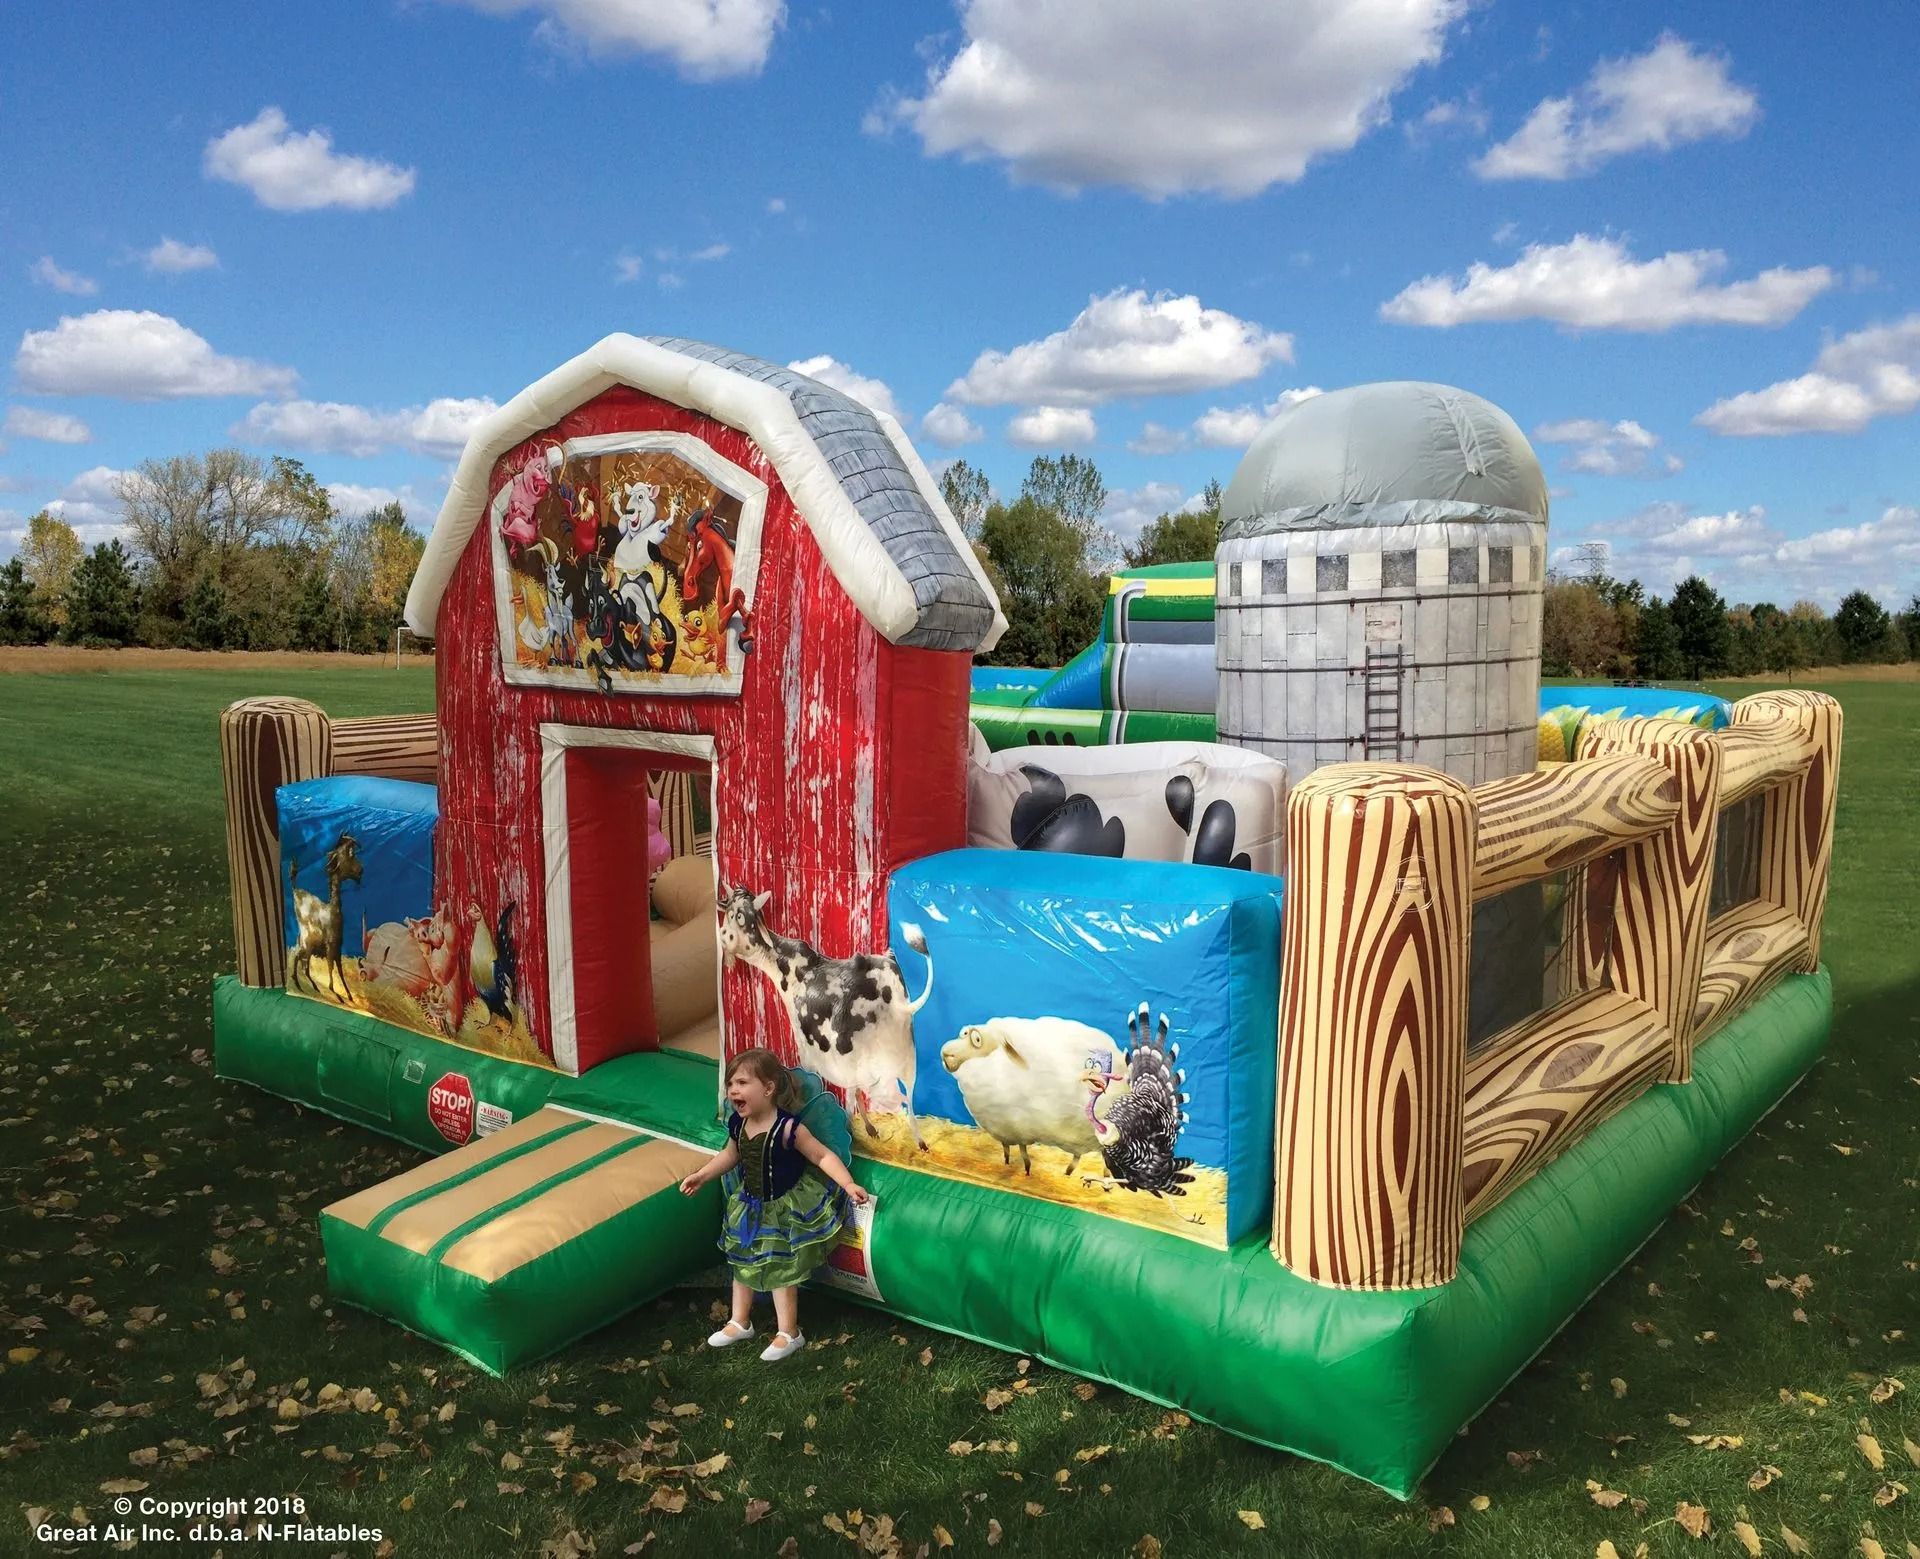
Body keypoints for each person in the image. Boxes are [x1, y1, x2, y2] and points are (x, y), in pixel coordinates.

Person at [680, 1047, 869, 1362]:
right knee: (742, 1262)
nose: (733, 1091)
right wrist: (703, 1175)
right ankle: (740, 1322)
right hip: (750, 1204)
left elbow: (820, 1155)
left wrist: (847, 1183)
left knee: (782, 1270)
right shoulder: (738, 1126)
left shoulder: (788, 1128)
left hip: (784, 1208)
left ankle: (789, 1333)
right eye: (730, 1085)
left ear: (767, 1089)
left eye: (741, 1083)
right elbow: (731, 1155)